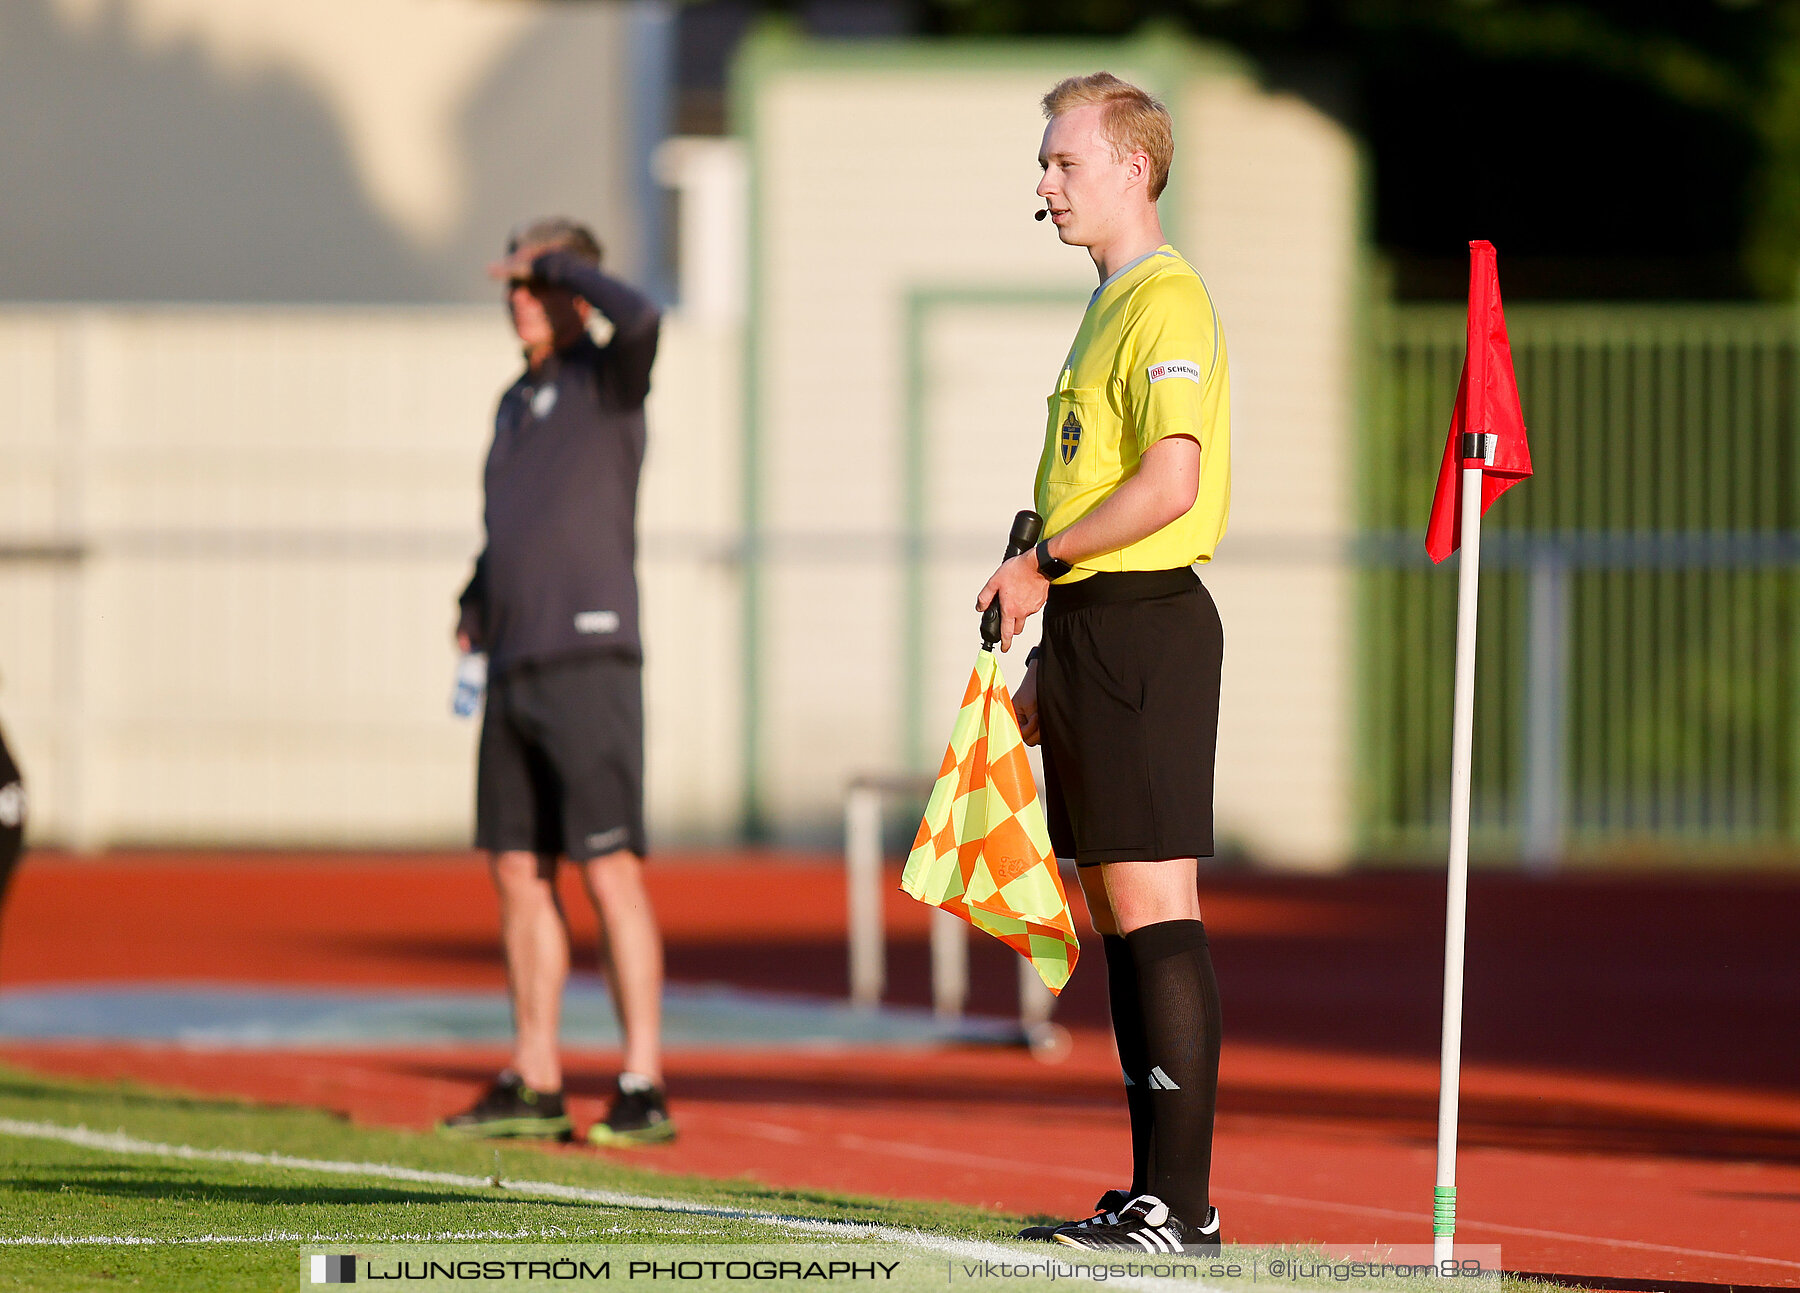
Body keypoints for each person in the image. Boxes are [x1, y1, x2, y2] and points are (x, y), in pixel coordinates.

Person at [977, 74, 1230, 1253]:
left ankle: (1181, 1206)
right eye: (1045, 163)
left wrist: (1043, 566)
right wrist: (1045, 645)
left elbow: (1167, 485)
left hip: (1140, 622)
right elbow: (1084, 474)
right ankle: (1156, 1194)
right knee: (1120, 918)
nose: (1044, 184)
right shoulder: (1110, 305)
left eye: (1063, 163)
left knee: (1150, 905)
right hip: (1091, 629)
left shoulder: (1167, 302)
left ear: (1133, 167)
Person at [440, 217, 675, 1147]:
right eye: (513, 283)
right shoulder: (515, 401)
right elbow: (513, 528)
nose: (518, 299)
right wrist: (474, 595)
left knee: (608, 870)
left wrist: (560, 267)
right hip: (515, 661)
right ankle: (535, 1073)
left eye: (534, 284)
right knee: (516, 869)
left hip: (591, 659)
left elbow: (645, 315)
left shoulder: (607, 378)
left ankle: (641, 1079)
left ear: (574, 287)